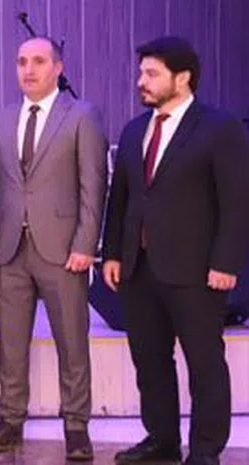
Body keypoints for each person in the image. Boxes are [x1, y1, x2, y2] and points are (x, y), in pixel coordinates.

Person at [103, 37, 249, 465]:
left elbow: (237, 201)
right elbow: (120, 199)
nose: (141, 81)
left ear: (182, 78)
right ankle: (161, 440)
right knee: (150, 362)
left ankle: (205, 450)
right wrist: (112, 253)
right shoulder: (135, 130)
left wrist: (226, 262)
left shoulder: (220, 127)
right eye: (141, 72)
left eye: (152, 74)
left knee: (204, 364)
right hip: (138, 269)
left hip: (196, 271)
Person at [0, 37, 107, 461]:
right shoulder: (1, 118)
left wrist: (86, 243)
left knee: (72, 342)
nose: (28, 69)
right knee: (11, 343)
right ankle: (11, 419)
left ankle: (76, 425)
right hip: (9, 250)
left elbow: (93, 186)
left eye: (38, 61)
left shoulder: (81, 114)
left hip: (64, 251)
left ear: (57, 67)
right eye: (21, 62)